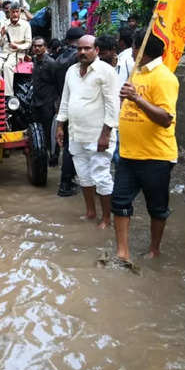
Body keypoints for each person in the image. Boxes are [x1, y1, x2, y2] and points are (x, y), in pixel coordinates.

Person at [112, 31, 179, 261]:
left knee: (157, 207)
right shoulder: (136, 73)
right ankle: (123, 252)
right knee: (119, 202)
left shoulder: (165, 78)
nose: (131, 51)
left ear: (142, 50)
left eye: (134, 47)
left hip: (156, 156)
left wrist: (136, 99)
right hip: (128, 153)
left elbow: (166, 118)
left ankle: (154, 249)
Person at [56, 35, 119, 228]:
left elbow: (113, 105)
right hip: (76, 134)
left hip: (98, 135)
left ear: (97, 50)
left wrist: (106, 134)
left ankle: (107, 218)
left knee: (101, 176)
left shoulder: (106, 71)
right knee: (83, 175)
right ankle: (91, 212)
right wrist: (60, 125)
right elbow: (65, 100)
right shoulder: (71, 71)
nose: (82, 52)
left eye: (87, 48)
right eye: (79, 49)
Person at [53, 27, 84, 196]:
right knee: (73, 146)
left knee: (67, 145)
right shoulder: (77, 60)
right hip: (77, 107)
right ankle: (66, 183)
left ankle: (67, 181)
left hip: (62, 105)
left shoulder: (59, 58)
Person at [31, 37, 62, 164]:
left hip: (49, 102)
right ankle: (43, 156)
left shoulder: (51, 63)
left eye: (40, 46)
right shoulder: (34, 61)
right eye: (35, 46)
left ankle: (54, 156)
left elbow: (58, 83)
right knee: (39, 130)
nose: (37, 48)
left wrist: (58, 104)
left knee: (50, 131)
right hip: (37, 101)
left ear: (45, 47)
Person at [0, 7, 32, 97]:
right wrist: (1, 35)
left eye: (17, 12)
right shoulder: (5, 23)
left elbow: (29, 43)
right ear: (10, 12)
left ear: (19, 13)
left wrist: (18, 46)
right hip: (4, 53)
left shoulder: (26, 24)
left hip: (18, 53)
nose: (15, 14)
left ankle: (8, 95)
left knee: (7, 66)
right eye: (13, 12)